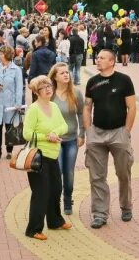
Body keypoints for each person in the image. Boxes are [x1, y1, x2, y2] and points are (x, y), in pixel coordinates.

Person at [83, 49, 136, 229]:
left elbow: (132, 107)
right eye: (97, 57)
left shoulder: (124, 81)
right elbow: (87, 107)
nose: (97, 60)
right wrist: (89, 131)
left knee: (123, 172)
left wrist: (126, 131)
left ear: (112, 61)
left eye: (101, 58)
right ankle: (99, 214)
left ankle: (126, 206)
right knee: (96, 176)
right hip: (97, 133)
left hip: (118, 132)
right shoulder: (92, 82)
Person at [22, 75, 71, 240]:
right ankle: (33, 229)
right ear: (37, 92)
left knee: (56, 189)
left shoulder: (54, 106)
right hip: (38, 157)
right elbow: (27, 133)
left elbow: (64, 125)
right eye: (44, 87)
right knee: (41, 193)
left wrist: (55, 133)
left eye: (49, 85)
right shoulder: (33, 109)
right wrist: (46, 136)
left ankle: (55, 221)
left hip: (52, 156)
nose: (49, 89)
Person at [49, 63, 84, 215]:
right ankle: (54, 201)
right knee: (58, 172)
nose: (66, 75)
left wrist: (82, 134)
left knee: (69, 173)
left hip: (71, 140)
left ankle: (68, 200)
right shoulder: (49, 94)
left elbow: (82, 113)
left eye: (67, 72)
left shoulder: (75, 93)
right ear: (55, 76)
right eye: (62, 73)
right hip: (54, 141)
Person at [0, 46, 24, 160]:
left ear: (7, 55)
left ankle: (9, 151)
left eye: (1, 54)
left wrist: (18, 104)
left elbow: (19, 88)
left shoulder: (16, 70)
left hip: (10, 103)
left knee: (9, 127)